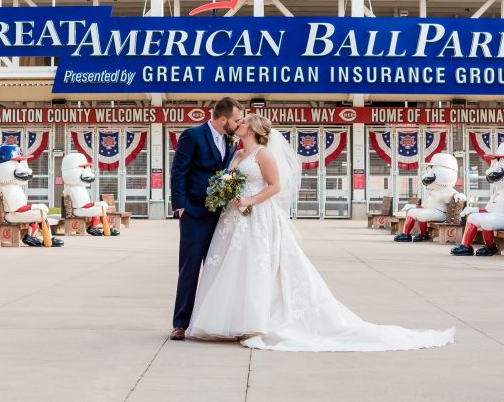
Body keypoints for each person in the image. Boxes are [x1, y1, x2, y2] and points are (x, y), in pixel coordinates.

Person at [185, 113, 454, 351]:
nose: (238, 124)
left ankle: (255, 322)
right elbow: (234, 180)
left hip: (257, 217)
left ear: (253, 129)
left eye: (243, 122)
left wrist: (248, 201)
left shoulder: (262, 154)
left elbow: (275, 186)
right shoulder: (237, 154)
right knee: (233, 266)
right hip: (233, 219)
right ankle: (231, 320)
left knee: (256, 267)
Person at [169, 97, 243, 341]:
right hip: (193, 213)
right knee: (189, 269)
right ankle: (181, 323)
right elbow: (179, 171)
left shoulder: (230, 140)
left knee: (216, 270)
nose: (238, 123)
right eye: (236, 120)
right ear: (223, 119)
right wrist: (180, 207)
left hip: (220, 217)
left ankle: (208, 322)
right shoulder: (192, 135)